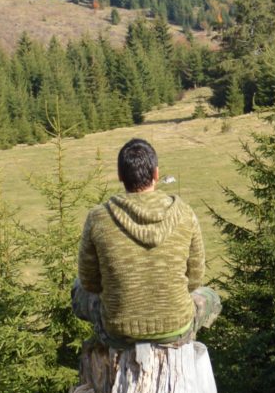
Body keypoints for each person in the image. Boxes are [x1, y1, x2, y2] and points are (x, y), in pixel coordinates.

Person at [72, 136, 221, 347]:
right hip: (177, 329)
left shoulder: (98, 218)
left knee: (77, 288)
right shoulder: (185, 214)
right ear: (156, 174)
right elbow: (194, 280)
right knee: (211, 297)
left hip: (118, 333)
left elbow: (89, 283)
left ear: (120, 175)